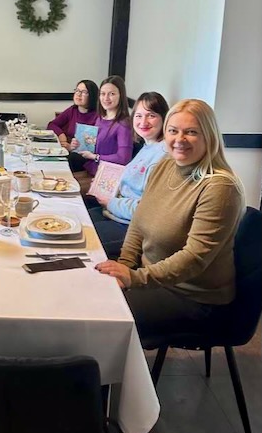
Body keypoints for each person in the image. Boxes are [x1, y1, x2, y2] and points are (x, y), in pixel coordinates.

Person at [96, 99, 245, 345]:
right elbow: (139, 223)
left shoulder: (219, 187)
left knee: (104, 316)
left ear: (209, 137)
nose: (179, 139)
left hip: (193, 297)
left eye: (191, 132)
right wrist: (123, 265)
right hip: (155, 278)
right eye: (173, 131)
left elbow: (194, 258)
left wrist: (134, 278)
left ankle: (109, 381)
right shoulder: (166, 165)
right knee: (91, 289)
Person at [88, 91, 169, 258]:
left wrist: (110, 202)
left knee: (82, 240)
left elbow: (146, 210)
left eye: (151, 115)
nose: (143, 122)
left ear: (164, 118)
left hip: (133, 228)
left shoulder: (163, 154)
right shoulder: (148, 146)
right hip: (116, 213)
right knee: (76, 219)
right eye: (138, 116)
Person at [71, 76, 132, 190]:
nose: (106, 98)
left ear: (121, 96)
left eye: (112, 94)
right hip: (93, 171)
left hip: (108, 179)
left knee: (68, 190)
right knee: (62, 181)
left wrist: (96, 157)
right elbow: (94, 145)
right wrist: (79, 144)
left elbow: (123, 158)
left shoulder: (123, 124)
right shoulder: (101, 118)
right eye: (103, 94)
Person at [46, 80, 99, 150]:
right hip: (68, 151)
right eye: (77, 90)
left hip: (84, 156)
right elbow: (52, 124)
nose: (78, 94)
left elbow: (91, 145)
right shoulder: (73, 110)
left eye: (84, 92)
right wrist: (61, 134)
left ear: (92, 95)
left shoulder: (98, 116)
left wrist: (71, 148)